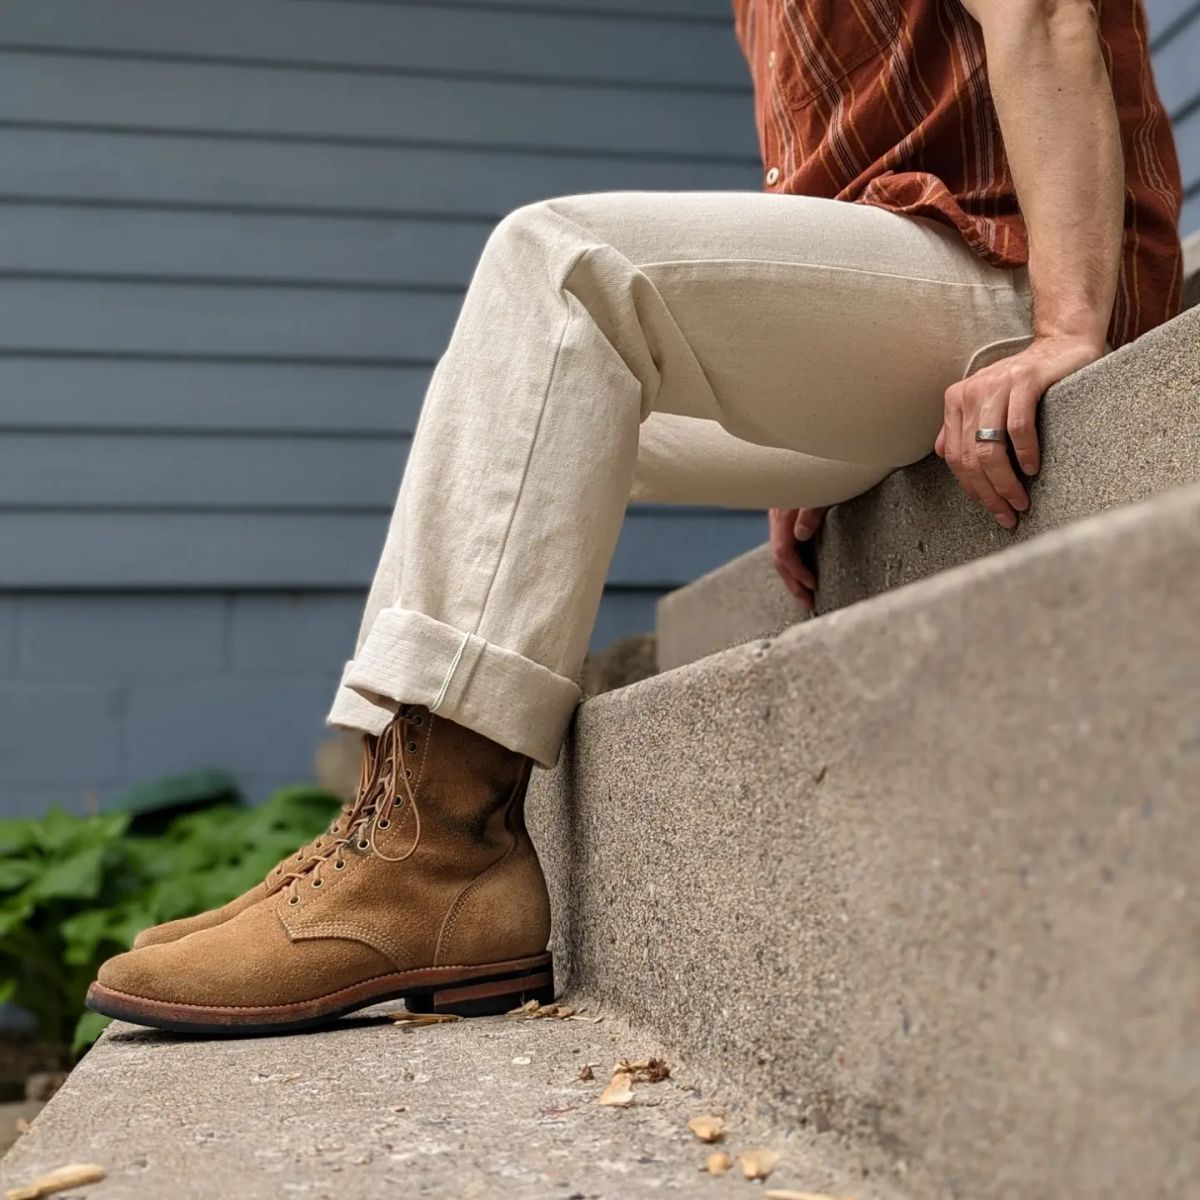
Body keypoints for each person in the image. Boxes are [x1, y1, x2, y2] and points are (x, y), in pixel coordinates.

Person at [87, 0, 1182, 1033]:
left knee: (561, 265)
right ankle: (401, 806)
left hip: (1017, 263)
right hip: (909, 297)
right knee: (517, 406)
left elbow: (1045, 15)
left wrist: (1068, 324)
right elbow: (838, 188)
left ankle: (439, 852)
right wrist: (814, 417)